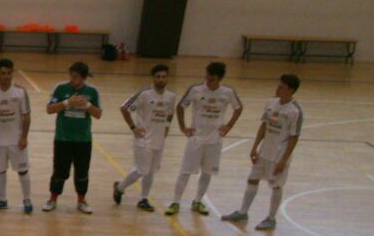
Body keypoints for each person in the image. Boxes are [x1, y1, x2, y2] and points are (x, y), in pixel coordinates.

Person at [224, 74, 304, 231]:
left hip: (278, 155)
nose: (277, 88)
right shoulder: (271, 102)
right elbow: (264, 126)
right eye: (278, 85)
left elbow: (294, 138)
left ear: (291, 90)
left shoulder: (295, 111)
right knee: (252, 179)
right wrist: (254, 147)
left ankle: (271, 218)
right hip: (264, 152)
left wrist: (283, 160)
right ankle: (243, 212)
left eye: (282, 87)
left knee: (275, 186)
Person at [167, 62, 244, 216]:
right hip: (195, 138)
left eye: (212, 80)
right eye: (207, 78)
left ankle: (197, 201)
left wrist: (228, 126)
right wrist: (183, 127)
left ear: (220, 79)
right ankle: (175, 202)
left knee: (207, 172)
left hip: (215, 140)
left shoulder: (227, 92)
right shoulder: (196, 90)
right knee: (185, 171)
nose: (208, 82)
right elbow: (181, 106)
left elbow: (239, 107)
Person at [114, 64, 178, 212]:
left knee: (150, 171)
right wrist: (133, 127)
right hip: (142, 139)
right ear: (153, 78)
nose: (161, 80)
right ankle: (119, 187)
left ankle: (143, 199)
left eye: (163, 77)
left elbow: (170, 113)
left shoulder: (171, 96)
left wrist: (167, 127)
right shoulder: (144, 94)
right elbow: (124, 108)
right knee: (141, 170)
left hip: (159, 139)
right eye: (158, 77)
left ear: (167, 78)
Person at [43, 60, 101, 213]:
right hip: (63, 139)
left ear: (83, 78)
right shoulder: (61, 89)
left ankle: (81, 201)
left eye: (75, 77)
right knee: (60, 171)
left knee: (82, 172)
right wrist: (67, 102)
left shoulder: (92, 92)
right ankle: (52, 199)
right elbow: (49, 109)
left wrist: (86, 105)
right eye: (71, 76)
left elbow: (98, 114)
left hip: (83, 140)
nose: (72, 79)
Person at [0, 58, 33, 213]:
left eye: (9, 73)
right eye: (3, 73)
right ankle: (2, 199)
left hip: (16, 141)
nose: (6, 76)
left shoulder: (20, 92)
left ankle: (27, 199)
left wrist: (24, 137)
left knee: (23, 170)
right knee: (0, 170)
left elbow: (27, 116)